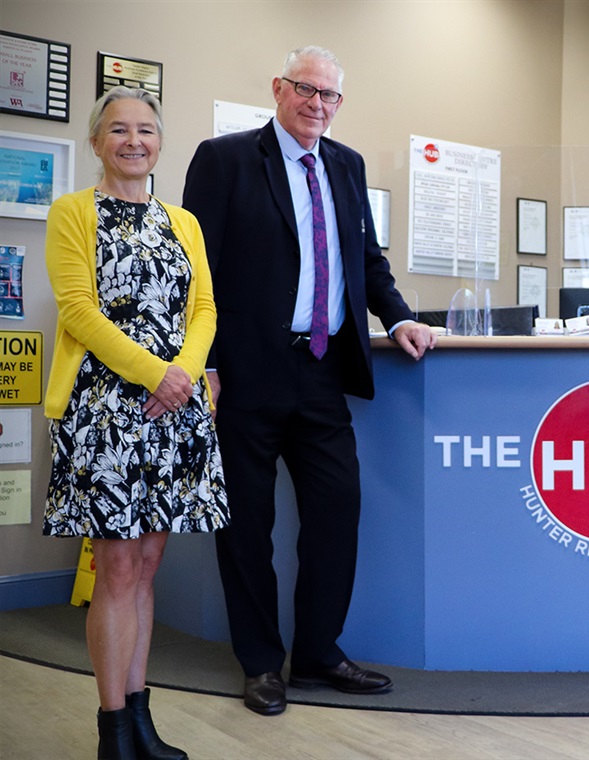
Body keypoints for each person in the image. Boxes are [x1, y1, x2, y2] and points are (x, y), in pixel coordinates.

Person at [181, 45, 436, 717]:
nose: (317, 104)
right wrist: (201, 361)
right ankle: (261, 662)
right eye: (306, 90)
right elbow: (193, 270)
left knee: (336, 512)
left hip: (322, 371)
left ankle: (319, 652)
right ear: (279, 88)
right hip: (244, 374)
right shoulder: (227, 158)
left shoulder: (346, 166)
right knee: (248, 527)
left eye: (330, 96)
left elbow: (366, 260)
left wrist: (400, 317)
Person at [43, 86, 228, 759]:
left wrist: (182, 372)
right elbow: (78, 311)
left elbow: (205, 308)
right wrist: (160, 375)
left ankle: (142, 721)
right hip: (106, 413)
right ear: (97, 141)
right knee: (116, 569)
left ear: (159, 141)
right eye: (118, 130)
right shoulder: (72, 213)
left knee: (147, 568)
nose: (133, 141)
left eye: (146, 130)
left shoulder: (184, 222)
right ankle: (113, 729)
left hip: (174, 414)